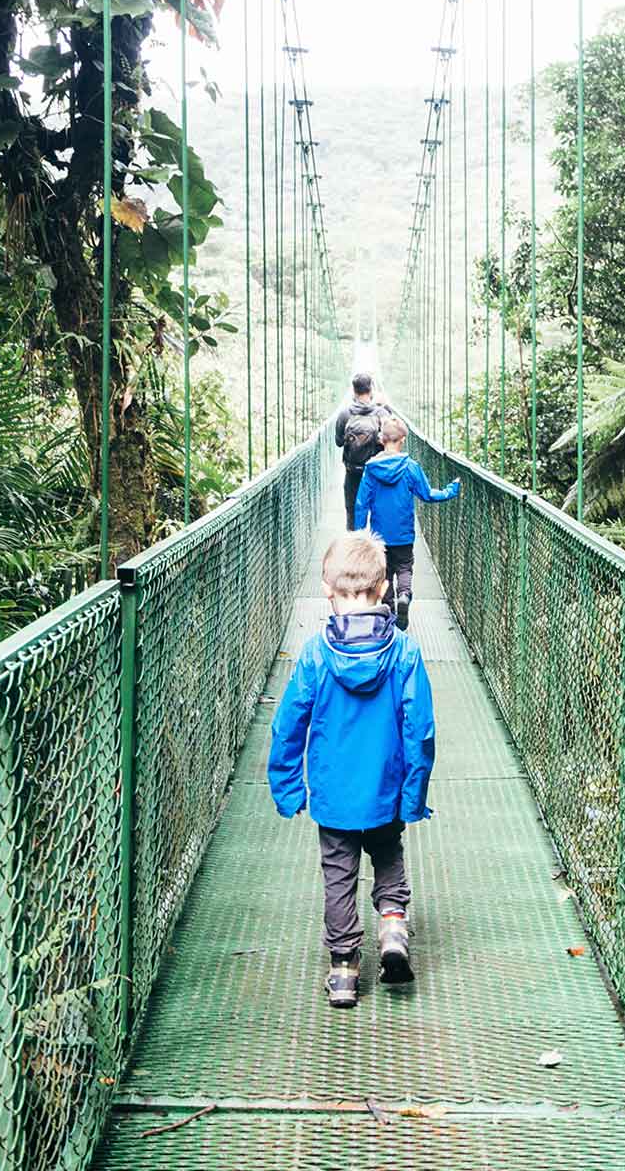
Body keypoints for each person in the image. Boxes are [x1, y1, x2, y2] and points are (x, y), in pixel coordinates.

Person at [267, 530, 436, 1008]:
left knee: (338, 876)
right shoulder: (403, 652)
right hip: (386, 790)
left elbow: (287, 726)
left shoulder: (315, 654)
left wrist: (288, 788)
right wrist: (413, 795)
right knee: (388, 856)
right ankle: (393, 927)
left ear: (327, 590)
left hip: (333, 795)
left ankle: (343, 969)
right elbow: (420, 730)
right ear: (383, 588)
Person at [352, 416, 459, 630]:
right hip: (403, 534)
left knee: (384, 573)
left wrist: (359, 536)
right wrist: (450, 490)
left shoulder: (371, 469)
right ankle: (404, 595)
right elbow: (427, 495)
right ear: (403, 439)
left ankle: (390, 610)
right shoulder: (410, 467)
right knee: (404, 567)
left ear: (381, 440)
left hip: (379, 536)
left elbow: (361, 504)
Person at [332, 374, 392, 529]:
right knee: (380, 516)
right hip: (377, 473)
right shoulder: (381, 414)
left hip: (353, 473)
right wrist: (387, 407)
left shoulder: (344, 414)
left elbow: (338, 442)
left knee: (352, 516)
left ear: (353, 390)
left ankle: (354, 543)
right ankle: (378, 544)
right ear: (371, 389)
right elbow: (394, 437)